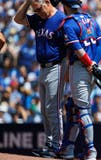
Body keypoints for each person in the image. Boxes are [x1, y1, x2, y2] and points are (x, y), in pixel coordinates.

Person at [14, 0, 67, 158]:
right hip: (42, 68)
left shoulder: (61, 19)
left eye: (39, 9)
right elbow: (17, 19)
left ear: (47, 2)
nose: (38, 13)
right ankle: (49, 144)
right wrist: (29, 2)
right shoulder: (38, 18)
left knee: (53, 109)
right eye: (35, 10)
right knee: (44, 109)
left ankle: (57, 145)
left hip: (57, 66)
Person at [58, 0, 101, 159]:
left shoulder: (69, 23)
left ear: (65, 6)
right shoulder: (91, 19)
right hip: (91, 67)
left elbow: (77, 49)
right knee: (74, 107)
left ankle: (91, 151)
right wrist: (94, 63)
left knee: (83, 108)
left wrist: (88, 64)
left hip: (80, 67)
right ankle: (68, 149)